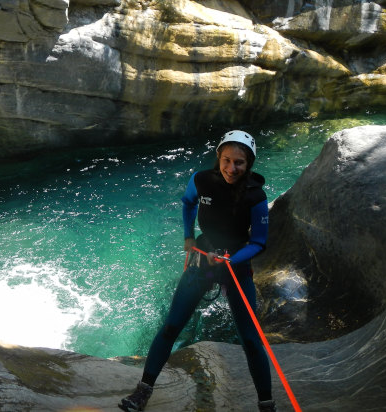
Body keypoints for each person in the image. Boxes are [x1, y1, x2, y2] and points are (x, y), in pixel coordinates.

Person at [118, 130, 276, 412]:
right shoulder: (202, 181)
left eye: (239, 163)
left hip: (236, 265)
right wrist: (188, 236)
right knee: (170, 327)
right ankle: (142, 392)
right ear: (219, 157)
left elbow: (259, 242)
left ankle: (266, 405)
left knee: (251, 341)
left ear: (249, 163)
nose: (231, 168)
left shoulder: (256, 196)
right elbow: (188, 203)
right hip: (203, 260)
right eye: (226, 160)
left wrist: (231, 259)